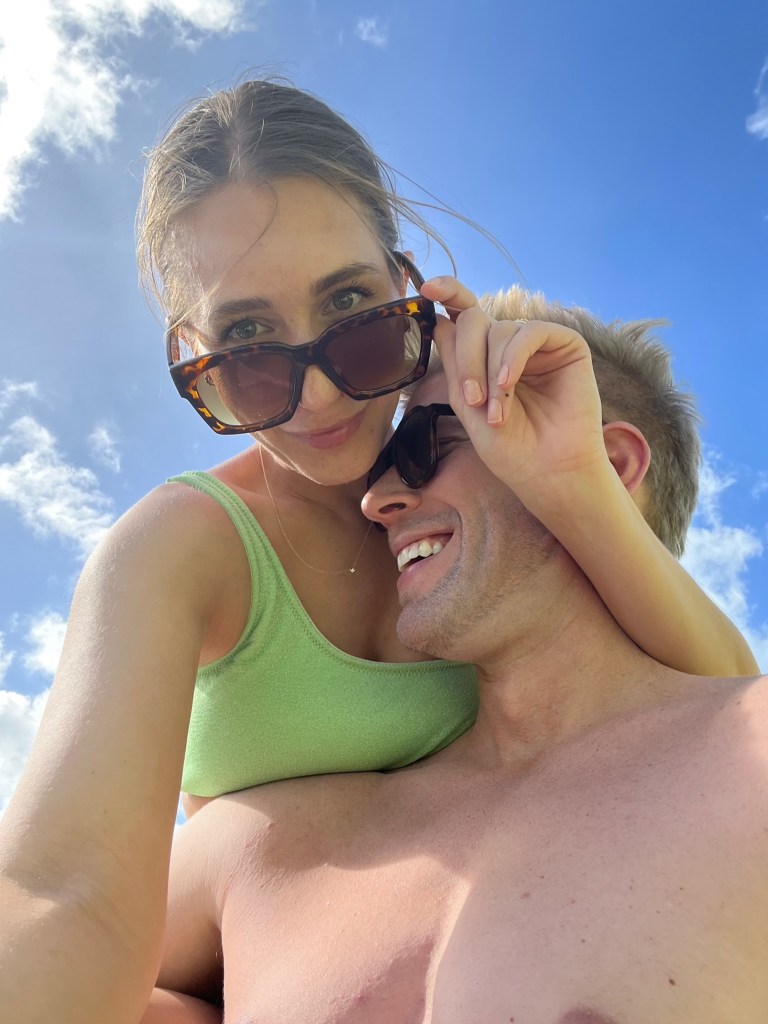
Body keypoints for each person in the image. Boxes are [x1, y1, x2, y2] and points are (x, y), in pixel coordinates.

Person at [0, 77, 757, 1024]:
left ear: (407, 288)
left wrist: (571, 479)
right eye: (247, 342)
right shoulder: (188, 547)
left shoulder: (478, 527)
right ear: (194, 356)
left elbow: (716, 699)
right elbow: (66, 895)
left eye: (351, 309)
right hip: (258, 922)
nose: (320, 399)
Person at [146, 298, 767, 1024]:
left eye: (426, 446)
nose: (377, 501)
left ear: (607, 464)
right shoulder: (267, 845)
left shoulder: (747, 764)